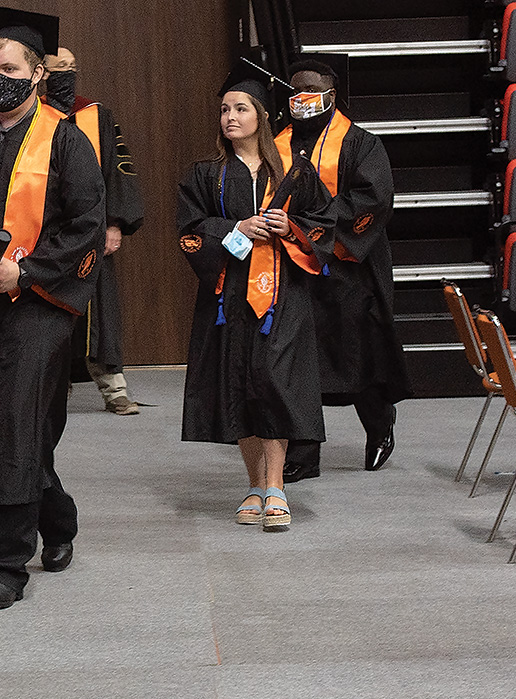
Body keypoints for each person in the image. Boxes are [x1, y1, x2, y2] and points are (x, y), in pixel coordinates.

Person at [0, 6, 105, 609]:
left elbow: (86, 227)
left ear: (37, 74)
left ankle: (5, 561)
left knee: (14, 426)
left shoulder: (65, 139)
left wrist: (25, 273)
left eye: (10, 68)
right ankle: (57, 514)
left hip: (36, 304)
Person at [176, 62, 333, 530]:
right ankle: (254, 484)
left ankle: (277, 487)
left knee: (273, 382)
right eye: (224, 109)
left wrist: (293, 227)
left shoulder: (293, 172)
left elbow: (324, 224)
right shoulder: (206, 175)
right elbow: (189, 232)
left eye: (240, 108)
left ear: (261, 116)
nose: (230, 117)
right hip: (227, 298)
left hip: (282, 297)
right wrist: (234, 228)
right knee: (238, 387)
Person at [278, 59, 413, 481]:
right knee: (298, 361)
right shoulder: (276, 143)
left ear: (331, 96)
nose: (302, 97)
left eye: (312, 89)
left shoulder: (360, 144)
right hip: (293, 265)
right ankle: (303, 454)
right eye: (296, 89)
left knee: (357, 359)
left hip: (349, 265)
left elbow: (372, 201)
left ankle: (379, 426)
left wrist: (311, 229)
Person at [43, 46, 145, 416]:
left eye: (72, 66)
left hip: (91, 228)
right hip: (44, 233)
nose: (67, 73)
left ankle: (113, 386)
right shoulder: (28, 114)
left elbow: (117, 171)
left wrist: (115, 223)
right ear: (41, 72)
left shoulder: (95, 114)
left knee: (99, 310)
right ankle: (52, 383)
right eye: (59, 68)